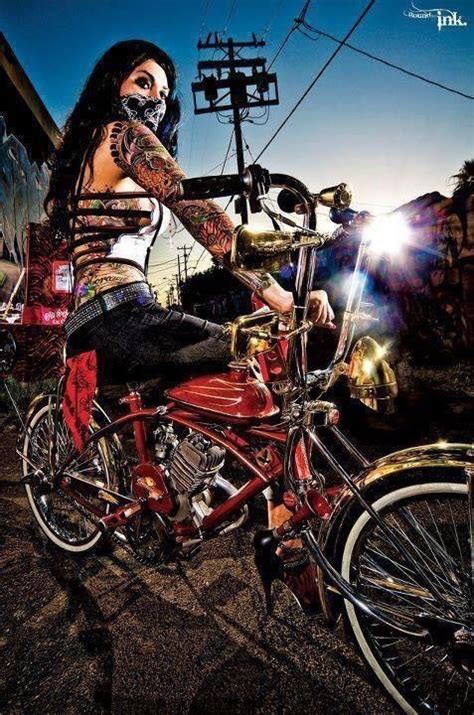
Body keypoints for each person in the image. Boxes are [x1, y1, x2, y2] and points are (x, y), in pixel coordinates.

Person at [45, 39, 334, 610]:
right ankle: (275, 524)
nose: (154, 99)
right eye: (143, 83)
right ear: (115, 83)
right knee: (246, 349)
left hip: (104, 321)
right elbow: (190, 205)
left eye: (163, 93)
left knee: (215, 375)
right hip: (117, 315)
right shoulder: (122, 136)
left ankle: (171, 485)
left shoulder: (85, 159)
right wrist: (277, 295)